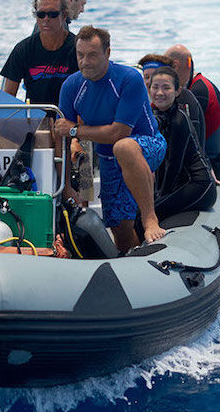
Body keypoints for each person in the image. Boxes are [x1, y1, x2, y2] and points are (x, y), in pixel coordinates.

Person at [55, 26, 167, 252]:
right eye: (80, 55)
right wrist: (66, 186)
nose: (85, 61)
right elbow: (61, 135)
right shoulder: (72, 86)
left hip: (147, 144)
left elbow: (119, 133)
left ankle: (149, 218)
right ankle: (133, 263)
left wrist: (75, 130)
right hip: (107, 158)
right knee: (119, 226)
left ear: (107, 53)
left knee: (123, 147)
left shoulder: (129, 79)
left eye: (93, 55)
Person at [147, 66, 216, 220]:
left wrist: (160, 198)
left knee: (147, 215)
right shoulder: (156, 115)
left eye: (166, 88)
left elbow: (174, 164)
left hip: (199, 185)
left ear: (178, 91)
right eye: (155, 87)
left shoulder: (179, 119)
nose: (159, 93)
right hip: (182, 185)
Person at [1, 0, 78, 105]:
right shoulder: (23, 49)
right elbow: (7, 97)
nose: (46, 19)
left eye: (53, 14)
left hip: (68, 118)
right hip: (34, 119)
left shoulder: (78, 48)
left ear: (64, 16)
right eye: (41, 14)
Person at [164, 44, 220, 182]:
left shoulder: (197, 92)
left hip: (213, 168)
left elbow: (184, 138)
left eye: (165, 67)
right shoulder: (196, 84)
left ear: (175, 66)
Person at [138, 54, 205, 145]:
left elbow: (194, 143)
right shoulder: (152, 100)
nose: (149, 82)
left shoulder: (184, 100)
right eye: (146, 77)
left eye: (155, 76)